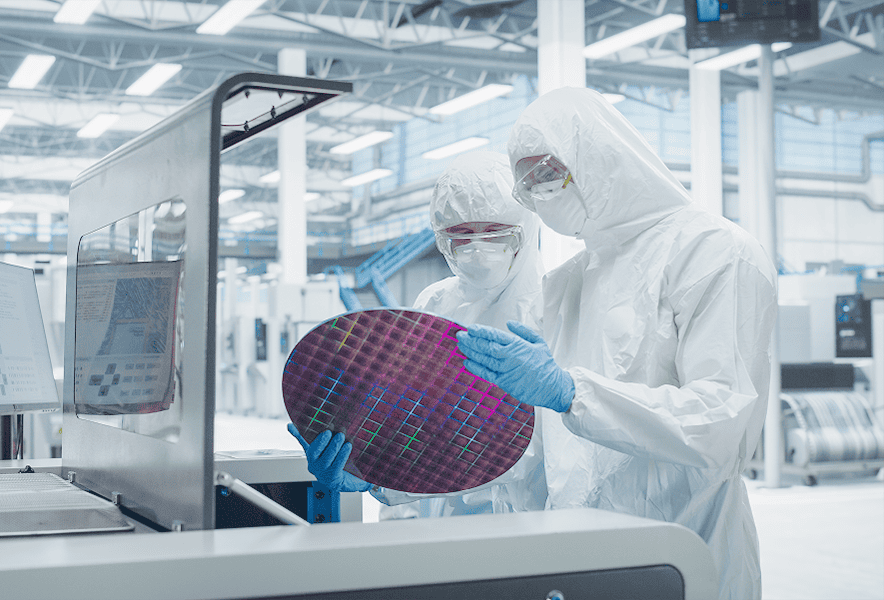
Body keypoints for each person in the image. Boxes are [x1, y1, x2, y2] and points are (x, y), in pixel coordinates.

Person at [456, 87, 777, 600]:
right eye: (527, 184)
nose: (539, 194)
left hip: (683, 556)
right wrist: (389, 473)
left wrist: (571, 393)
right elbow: (534, 454)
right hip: (578, 561)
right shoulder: (566, 284)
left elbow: (720, 424)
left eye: (546, 173)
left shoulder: (713, 252)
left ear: (599, 153)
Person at [288, 150, 548, 518]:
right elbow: (411, 421)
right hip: (440, 521)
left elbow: (537, 447)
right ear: (442, 240)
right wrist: (369, 473)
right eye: (461, 235)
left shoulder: (553, 308)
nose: (477, 248)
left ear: (527, 229)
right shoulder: (436, 303)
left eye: (494, 233)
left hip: (532, 524)